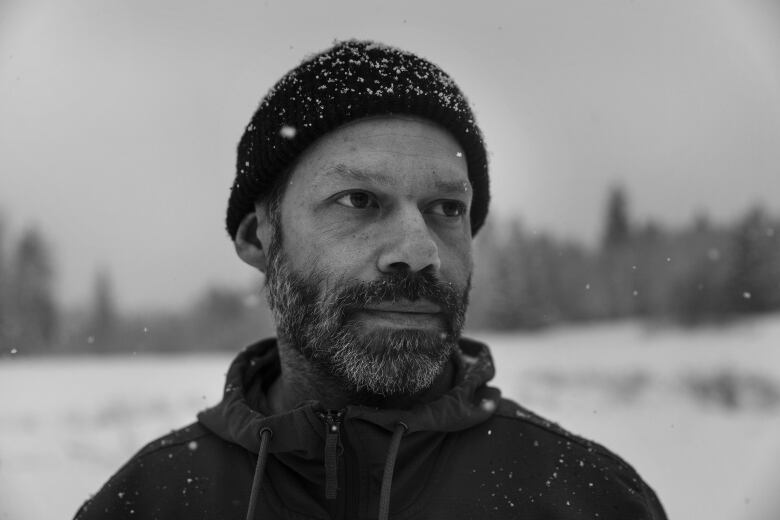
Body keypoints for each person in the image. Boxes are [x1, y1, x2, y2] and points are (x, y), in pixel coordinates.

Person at [74, 40, 667, 520]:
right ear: (259, 237)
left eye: (446, 209)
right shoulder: (149, 502)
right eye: (359, 200)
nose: (419, 252)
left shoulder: (589, 500)